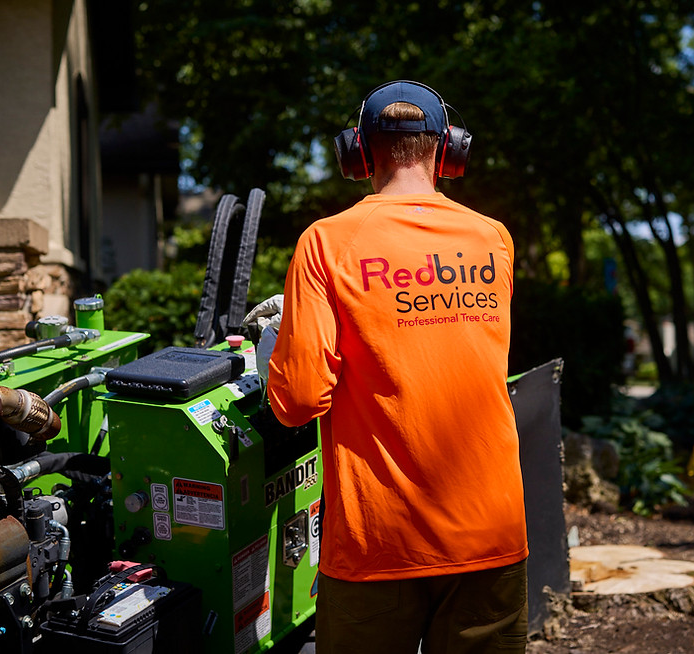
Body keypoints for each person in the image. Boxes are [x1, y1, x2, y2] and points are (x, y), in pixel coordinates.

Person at [267, 80, 528, 654]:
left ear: (358, 152)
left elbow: (298, 402)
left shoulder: (324, 244)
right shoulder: (494, 240)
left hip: (378, 543)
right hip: (491, 529)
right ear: (449, 150)